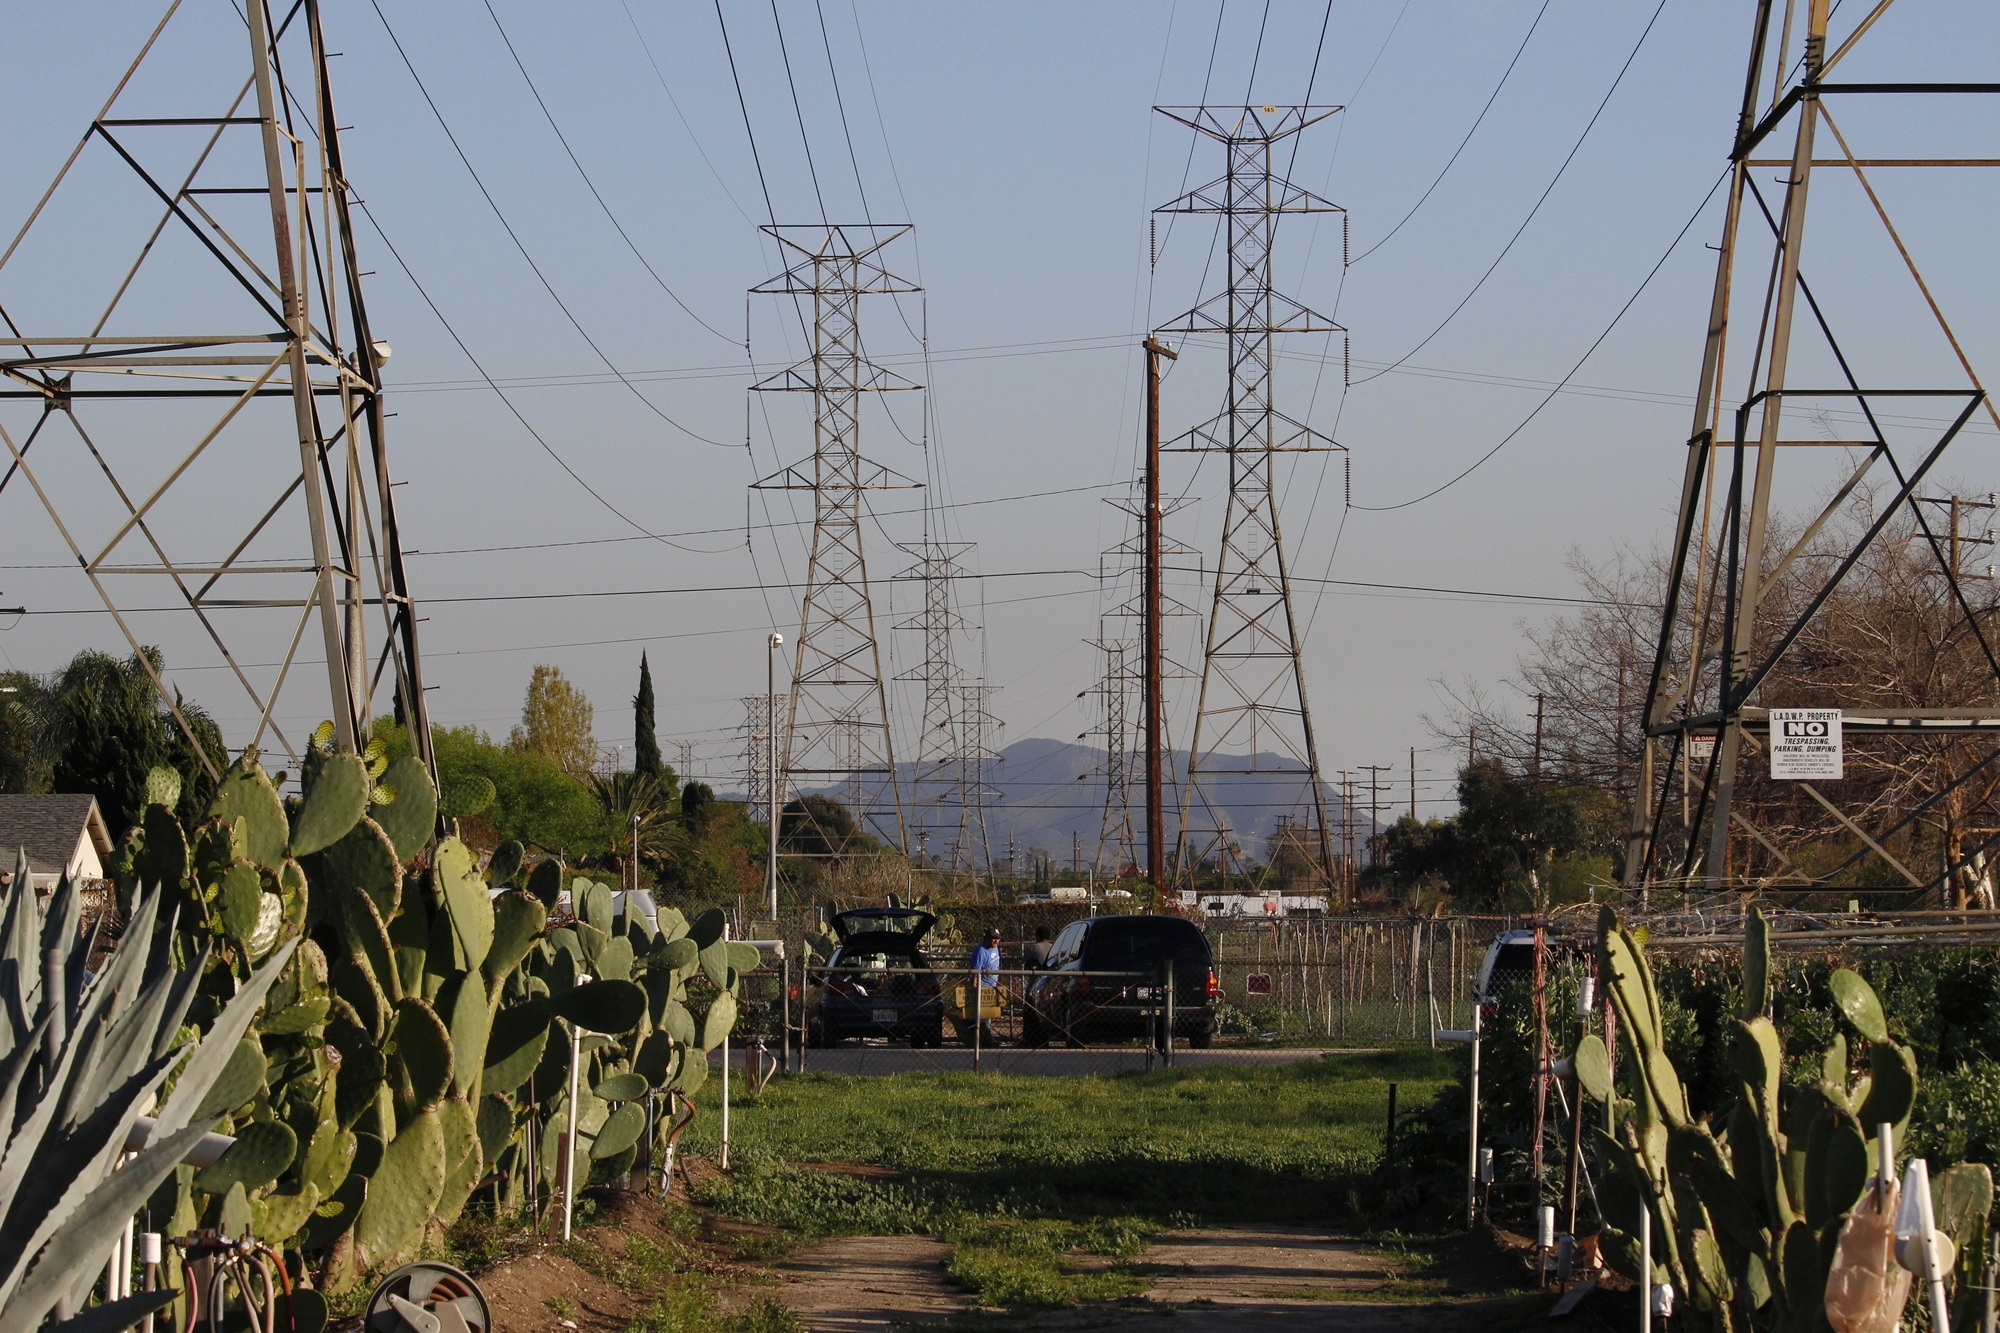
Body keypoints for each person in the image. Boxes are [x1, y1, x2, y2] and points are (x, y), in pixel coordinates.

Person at [971, 927, 1002, 1044]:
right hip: (982, 987)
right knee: (983, 1016)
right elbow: (975, 972)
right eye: (994, 938)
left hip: (993, 986)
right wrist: (975, 988)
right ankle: (983, 1039)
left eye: (998, 939)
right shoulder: (980, 951)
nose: (996, 941)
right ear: (987, 938)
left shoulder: (995, 948)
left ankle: (986, 1037)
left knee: (989, 1015)